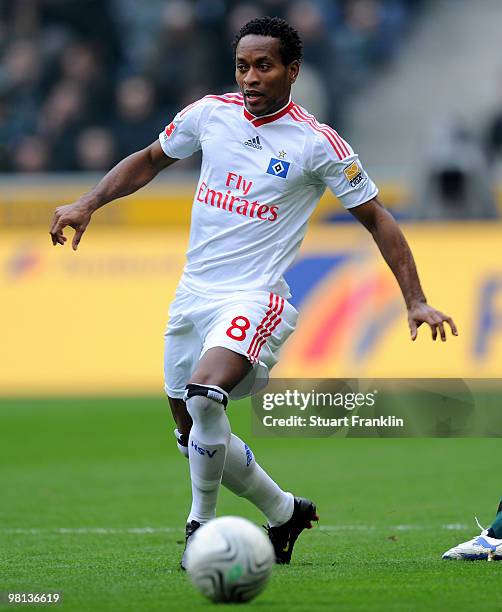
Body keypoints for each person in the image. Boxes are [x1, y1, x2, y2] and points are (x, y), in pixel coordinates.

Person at [49, 17, 457, 568]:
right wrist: (87, 203)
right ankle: (284, 511)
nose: (250, 77)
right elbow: (149, 160)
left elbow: (378, 219)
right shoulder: (209, 115)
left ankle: (201, 526)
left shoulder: (318, 144)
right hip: (193, 295)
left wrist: (414, 298)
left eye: (263, 66)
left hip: (255, 296)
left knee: (204, 394)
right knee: (192, 428)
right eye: (242, 65)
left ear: (292, 70)